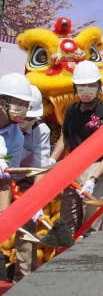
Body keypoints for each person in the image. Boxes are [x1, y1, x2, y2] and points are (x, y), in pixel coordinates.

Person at [60, 61, 103, 239]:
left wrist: (94, 178)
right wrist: (52, 160)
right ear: (75, 87)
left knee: (92, 224)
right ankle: (64, 261)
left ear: (98, 86)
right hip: (73, 166)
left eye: (91, 85)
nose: (86, 90)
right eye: (81, 86)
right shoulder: (71, 110)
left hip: (97, 168)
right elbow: (64, 138)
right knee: (67, 221)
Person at [10, 85, 52, 281]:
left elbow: (40, 168)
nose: (24, 123)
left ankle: (24, 277)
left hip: (25, 180)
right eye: (22, 118)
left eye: (30, 118)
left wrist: (36, 201)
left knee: (27, 227)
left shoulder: (41, 130)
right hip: (3, 179)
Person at [0, 73, 34, 213]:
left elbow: (5, 181)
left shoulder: (17, 137)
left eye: (26, 105)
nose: (23, 109)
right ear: (2, 103)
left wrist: (4, 217)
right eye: (19, 104)